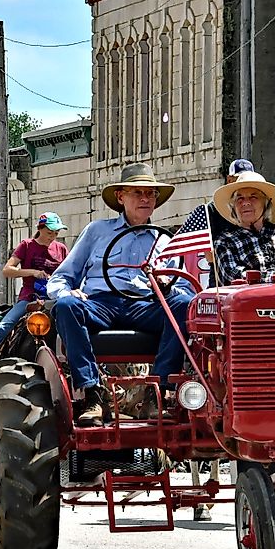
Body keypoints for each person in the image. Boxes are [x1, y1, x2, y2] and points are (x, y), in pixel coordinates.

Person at [48, 162, 195, 426]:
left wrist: (166, 285)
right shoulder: (97, 231)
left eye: (150, 194)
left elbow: (183, 287)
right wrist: (69, 292)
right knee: (66, 305)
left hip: (145, 306)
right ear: (120, 197)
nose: (144, 198)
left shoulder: (164, 241)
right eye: (137, 192)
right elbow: (61, 277)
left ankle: (157, 393)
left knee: (184, 303)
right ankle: (92, 393)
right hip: (100, 304)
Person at [0, 212, 68, 362]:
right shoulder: (27, 245)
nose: (52, 236)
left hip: (55, 298)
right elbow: (7, 270)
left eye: (56, 233)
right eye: (49, 232)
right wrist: (32, 272)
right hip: (29, 298)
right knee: (3, 327)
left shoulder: (61, 248)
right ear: (40, 228)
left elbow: (70, 271)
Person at [211, 169, 275, 284]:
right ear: (234, 207)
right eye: (240, 198)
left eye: (253, 197)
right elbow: (233, 278)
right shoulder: (225, 241)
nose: (245, 203)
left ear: (266, 203)